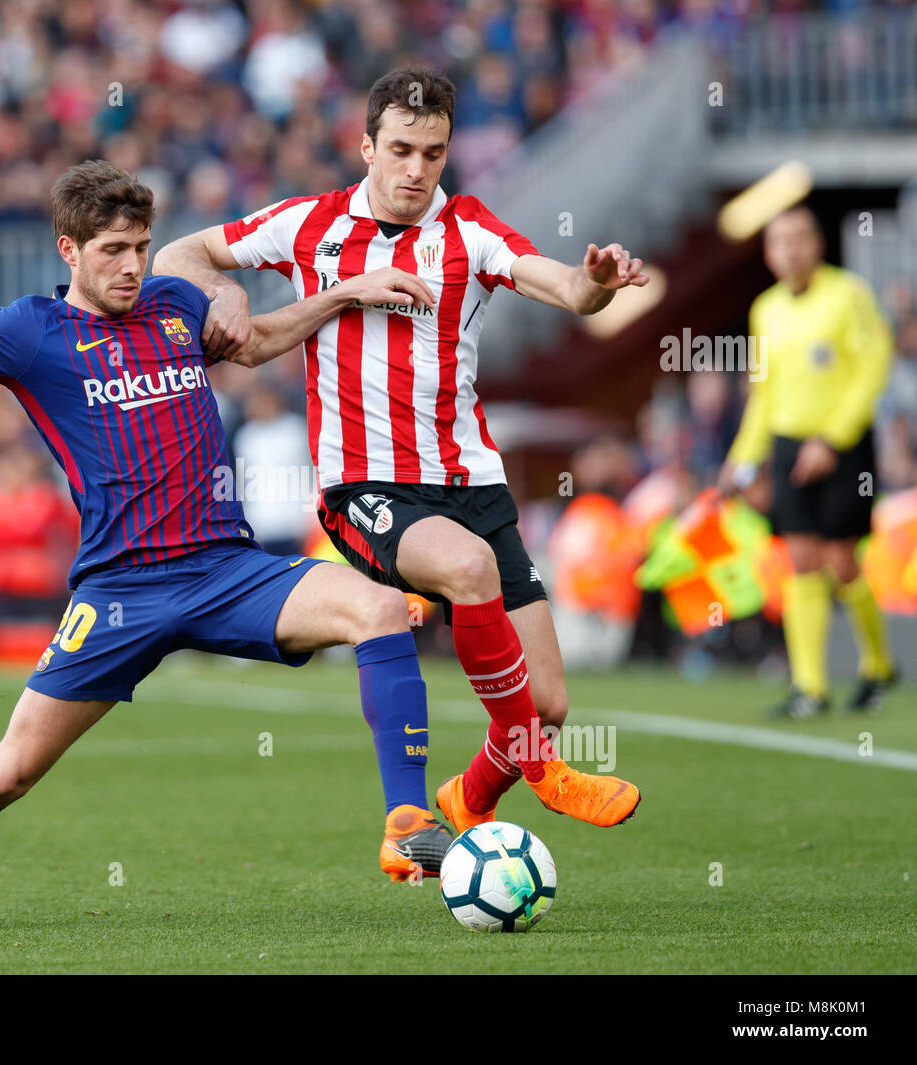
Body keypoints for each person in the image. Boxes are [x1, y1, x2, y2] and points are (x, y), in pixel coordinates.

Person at [0, 161, 452, 932]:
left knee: (377, 608)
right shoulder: (30, 330)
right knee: (9, 771)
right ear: (69, 250)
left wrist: (340, 295)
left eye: (140, 245)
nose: (132, 265)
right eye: (112, 250)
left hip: (225, 568)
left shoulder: (173, 303)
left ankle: (406, 822)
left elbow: (258, 340)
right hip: (121, 592)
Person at [154, 67, 644, 836]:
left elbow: (565, 290)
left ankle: (470, 800)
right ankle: (543, 769)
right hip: (366, 486)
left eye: (434, 153)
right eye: (403, 149)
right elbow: (180, 252)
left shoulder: (470, 231)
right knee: (469, 571)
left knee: (546, 700)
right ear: (366, 147)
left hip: (473, 485)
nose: (417, 169)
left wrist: (597, 283)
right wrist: (225, 294)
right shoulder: (309, 225)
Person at [719, 206, 897, 718]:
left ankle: (878, 666)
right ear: (770, 253)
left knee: (842, 563)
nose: (791, 249)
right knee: (799, 560)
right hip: (787, 444)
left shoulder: (849, 295)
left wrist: (832, 438)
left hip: (843, 446)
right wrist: (741, 457)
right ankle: (810, 688)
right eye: (780, 241)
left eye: (799, 238)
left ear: (817, 244)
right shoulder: (765, 309)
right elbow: (763, 393)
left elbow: (872, 368)